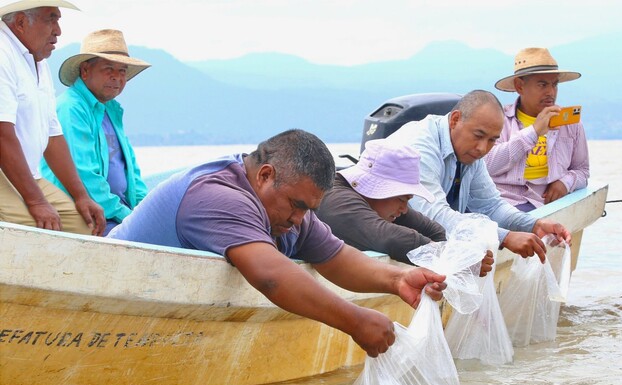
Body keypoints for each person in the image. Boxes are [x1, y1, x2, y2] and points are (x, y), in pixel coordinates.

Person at [109, 129, 447, 357]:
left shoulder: (290, 210)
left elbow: (336, 257)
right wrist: (356, 322)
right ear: (265, 175)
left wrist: (397, 279)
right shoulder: (218, 195)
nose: (300, 218)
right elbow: (271, 275)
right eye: (297, 205)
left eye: (309, 209)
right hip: (118, 305)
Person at [382, 89, 571, 263]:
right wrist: (505, 237)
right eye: (478, 135)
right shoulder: (419, 147)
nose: (483, 148)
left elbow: (490, 205)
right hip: (382, 232)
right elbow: (434, 216)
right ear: (455, 120)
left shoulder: (471, 153)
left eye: (492, 140)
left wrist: (534, 225)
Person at [0, 0, 104, 235]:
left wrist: (81, 196)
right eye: (51, 19)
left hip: (27, 174)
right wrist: (36, 202)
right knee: (36, 234)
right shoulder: (2, 54)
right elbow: (2, 134)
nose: (58, 31)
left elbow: (52, 134)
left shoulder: (38, 62)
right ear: (20, 22)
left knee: (83, 227)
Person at [40, 29, 150, 235]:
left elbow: (131, 170)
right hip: (92, 214)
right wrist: (128, 217)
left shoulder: (111, 109)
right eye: (109, 68)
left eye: (122, 70)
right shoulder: (72, 107)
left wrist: (145, 209)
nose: (117, 77)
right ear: (85, 71)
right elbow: (84, 174)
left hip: (117, 212)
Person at [485, 47, 590, 211]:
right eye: (542, 84)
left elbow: (582, 170)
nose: (551, 92)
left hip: (548, 204)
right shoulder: (499, 120)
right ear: (519, 86)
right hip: (505, 203)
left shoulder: (571, 124)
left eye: (554, 85)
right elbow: (487, 164)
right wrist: (533, 132)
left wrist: (565, 183)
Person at [317, 139, 447, 264]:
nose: (404, 209)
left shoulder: (378, 204)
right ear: (374, 188)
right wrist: (442, 256)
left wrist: (448, 252)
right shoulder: (336, 201)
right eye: (401, 200)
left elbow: (434, 231)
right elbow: (388, 238)